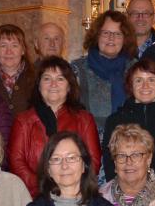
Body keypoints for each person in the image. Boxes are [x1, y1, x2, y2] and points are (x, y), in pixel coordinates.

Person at [8, 56, 101, 197]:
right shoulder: (23, 121)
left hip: (76, 196)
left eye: (60, 79)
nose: (53, 84)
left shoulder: (84, 119)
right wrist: (46, 187)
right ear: (39, 86)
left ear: (69, 86)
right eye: (47, 79)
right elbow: (17, 163)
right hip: (33, 197)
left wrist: (69, 189)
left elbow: (93, 162)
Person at [102, 58, 155, 191]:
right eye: (139, 80)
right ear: (131, 85)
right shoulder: (115, 121)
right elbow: (110, 163)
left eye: (151, 80)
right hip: (125, 196)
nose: (145, 86)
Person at [71, 9, 137, 131]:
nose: (111, 38)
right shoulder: (77, 69)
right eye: (106, 33)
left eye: (117, 34)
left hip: (129, 141)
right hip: (89, 140)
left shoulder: (135, 69)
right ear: (97, 36)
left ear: (125, 39)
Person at [0, 24, 37, 115]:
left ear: (23, 50)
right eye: (3, 45)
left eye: (14, 45)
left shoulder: (37, 77)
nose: (9, 51)